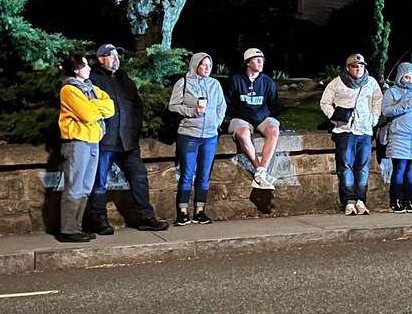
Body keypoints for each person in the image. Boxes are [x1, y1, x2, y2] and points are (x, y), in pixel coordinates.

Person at [88, 44, 169, 232]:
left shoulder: (126, 81)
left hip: (128, 142)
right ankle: (97, 218)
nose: (116, 59)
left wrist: (134, 130)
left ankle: (146, 217)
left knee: (140, 177)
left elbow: (137, 106)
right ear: (100, 59)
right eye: (111, 55)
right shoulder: (93, 80)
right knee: (99, 181)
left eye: (118, 55)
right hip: (105, 142)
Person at [58, 54, 115, 242]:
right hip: (77, 141)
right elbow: (88, 114)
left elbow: (110, 107)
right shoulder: (69, 89)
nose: (89, 68)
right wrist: (95, 107)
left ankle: (77, 227)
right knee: (74, 186)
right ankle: (68, 229)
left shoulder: (91, 89)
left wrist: (92, 104)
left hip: (93, 140)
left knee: (85, 187)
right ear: (76, 70)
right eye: (85, 65)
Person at [320, 53, 383, 215]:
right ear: (348, 68)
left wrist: (374, 118)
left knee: (362, 166)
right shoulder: (337, 83)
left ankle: (361, 200)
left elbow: (378, 100)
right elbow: (325, 101)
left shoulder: (371, 82)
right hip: (345, 130)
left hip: (365, 130)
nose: (359, 69)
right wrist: (334, 117)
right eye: (355, 66)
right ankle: (349, 201)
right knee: (346, 165)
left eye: (361, 66)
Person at [169, 52, 226, 226]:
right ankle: (183, 211)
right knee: (187, 174)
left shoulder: (215, 84)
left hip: (209, 136)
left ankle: (200, 211)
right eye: (203, 65)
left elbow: (221, 106)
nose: (207, 68)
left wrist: (216, 123)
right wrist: (191, 113)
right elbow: (173, 105)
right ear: (195, 66)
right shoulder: (184, 83)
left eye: (209, 65)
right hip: (189, 135)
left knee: (204, 175)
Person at [225, 48, 282, 190]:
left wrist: (263, 115)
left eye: (262, 59)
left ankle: (262, 171)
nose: (260, 62)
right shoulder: (235, 79)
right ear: (247, 62)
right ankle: (260, 171)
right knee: (243, 133)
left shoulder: (267, 82)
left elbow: (275, 105)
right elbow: (226, 104)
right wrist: (242, 114)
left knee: (273, 130)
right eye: (256, 59)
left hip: (262, 117)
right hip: (241, 117)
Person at [383, 62, 412, 213]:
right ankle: (395, 201)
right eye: (407, 77)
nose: (410, 80)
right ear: (400, 77)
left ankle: (408, 200)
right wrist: (406, 104)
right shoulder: (392, 92)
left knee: (411, 171)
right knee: (399, 169)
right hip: (399, 136)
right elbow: (386, 111)